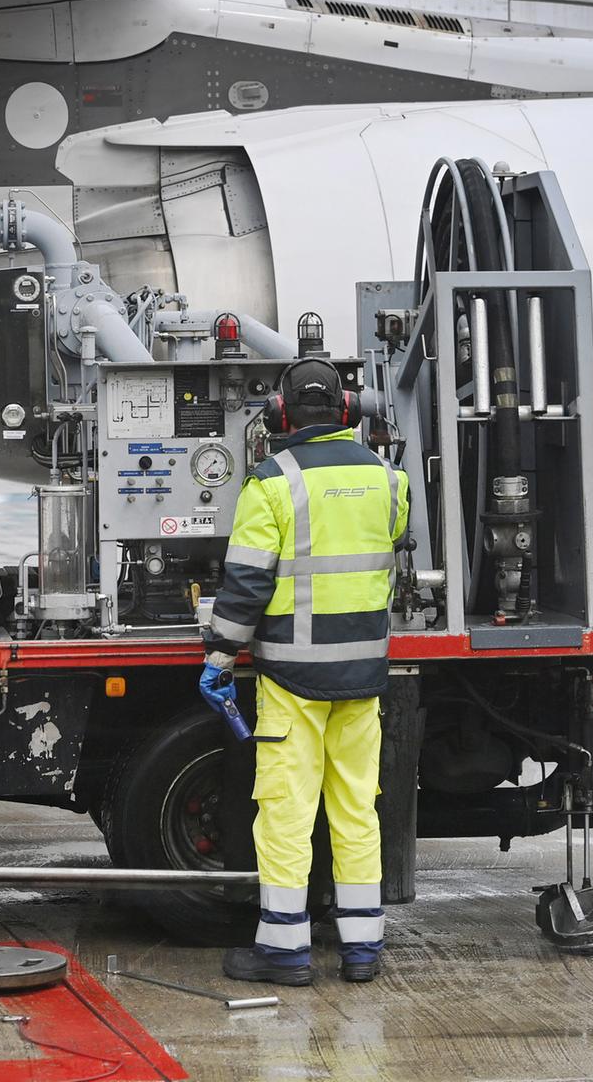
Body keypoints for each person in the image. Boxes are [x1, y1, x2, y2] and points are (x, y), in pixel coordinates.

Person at [199, 357, 409, 986]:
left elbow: (245, 585)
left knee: (287, 811)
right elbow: (390, 544)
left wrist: (219, 655)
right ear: (348, 412)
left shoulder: (271, 483)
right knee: (356, 809)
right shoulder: (388, 480)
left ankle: (285, 952)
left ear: (280, 414)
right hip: (363, 677)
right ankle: (362, 950)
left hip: (291, 680)